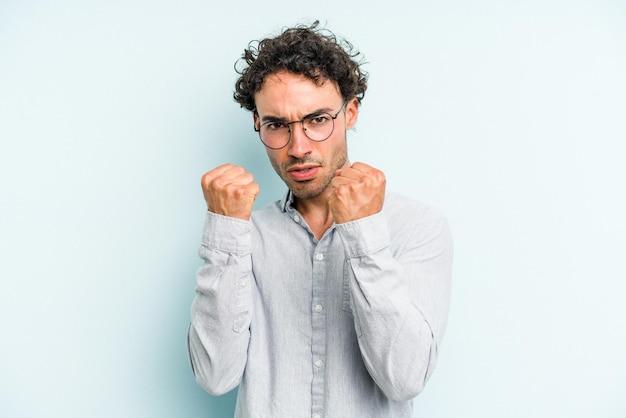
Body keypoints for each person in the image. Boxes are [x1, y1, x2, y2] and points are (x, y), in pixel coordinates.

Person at [187, 21, 453, 418]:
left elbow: (404, 379)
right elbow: (215, 376)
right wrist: (225, 234)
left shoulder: (416, 227)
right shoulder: (244, 234)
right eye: (277, 125)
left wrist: (363, 236)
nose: (297, 148)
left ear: (351, 112)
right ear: (259, 124)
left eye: (317, 120)